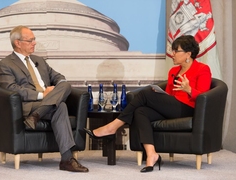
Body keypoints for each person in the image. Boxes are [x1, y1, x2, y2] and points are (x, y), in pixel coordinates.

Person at [84, 35, 211, 173]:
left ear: (188, 54)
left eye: (176, 51)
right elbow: (170, 95)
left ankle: (112, 126)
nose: (172, 54)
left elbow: (204, 96)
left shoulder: (202, 69)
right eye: (172, 50)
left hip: (187, 108)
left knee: (145, 94)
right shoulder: (173, 71)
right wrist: (159, 96)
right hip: (172, 106)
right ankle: (152, 154)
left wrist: (189, 89)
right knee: (141, 111)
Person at [0, 25, 88, 173]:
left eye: (34, 39)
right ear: (17, 43)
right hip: (27, 105)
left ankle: (38, 115)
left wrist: (56, 88)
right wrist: (42, 95)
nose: (34, 43)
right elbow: (12, 89)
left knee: (65, 85)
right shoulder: (5, 64)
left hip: (45, 103)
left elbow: (59, 77)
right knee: (61, 106)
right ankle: (67, 160)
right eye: (30, 40)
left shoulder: (39, 60)